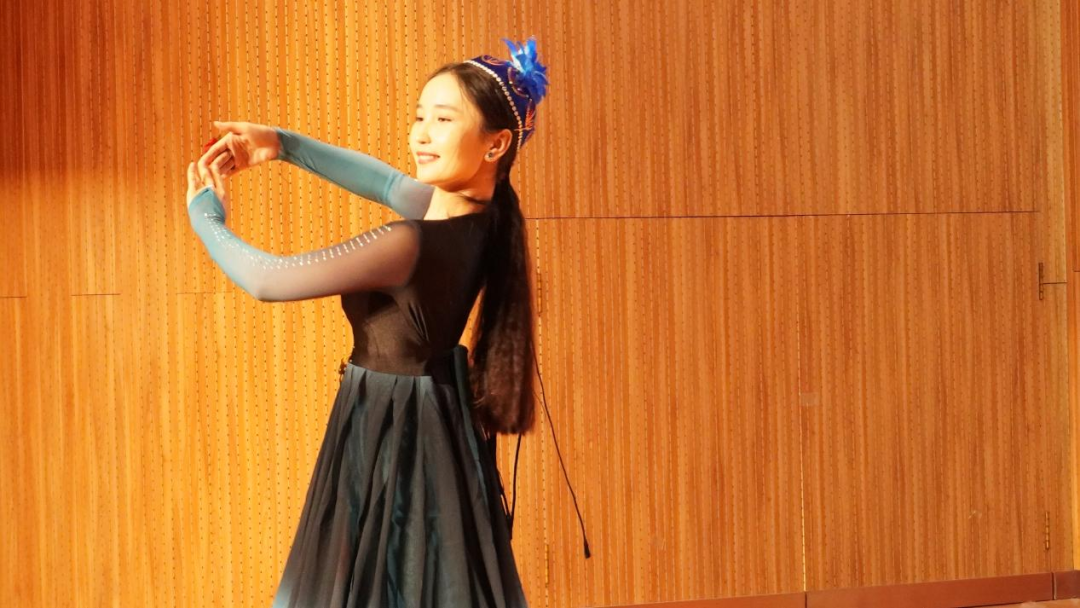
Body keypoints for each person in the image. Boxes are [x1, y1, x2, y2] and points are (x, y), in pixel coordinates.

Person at [184, 37, 549, 607]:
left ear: (496, 143)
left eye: (443, 119)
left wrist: (205, 216)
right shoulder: (482, 218)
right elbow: (382, 182)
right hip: (428, 421)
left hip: (392, 428)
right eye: (419, 116)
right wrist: (281, 144)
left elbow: (267, 280)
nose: (421, 134)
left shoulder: (410, 244)